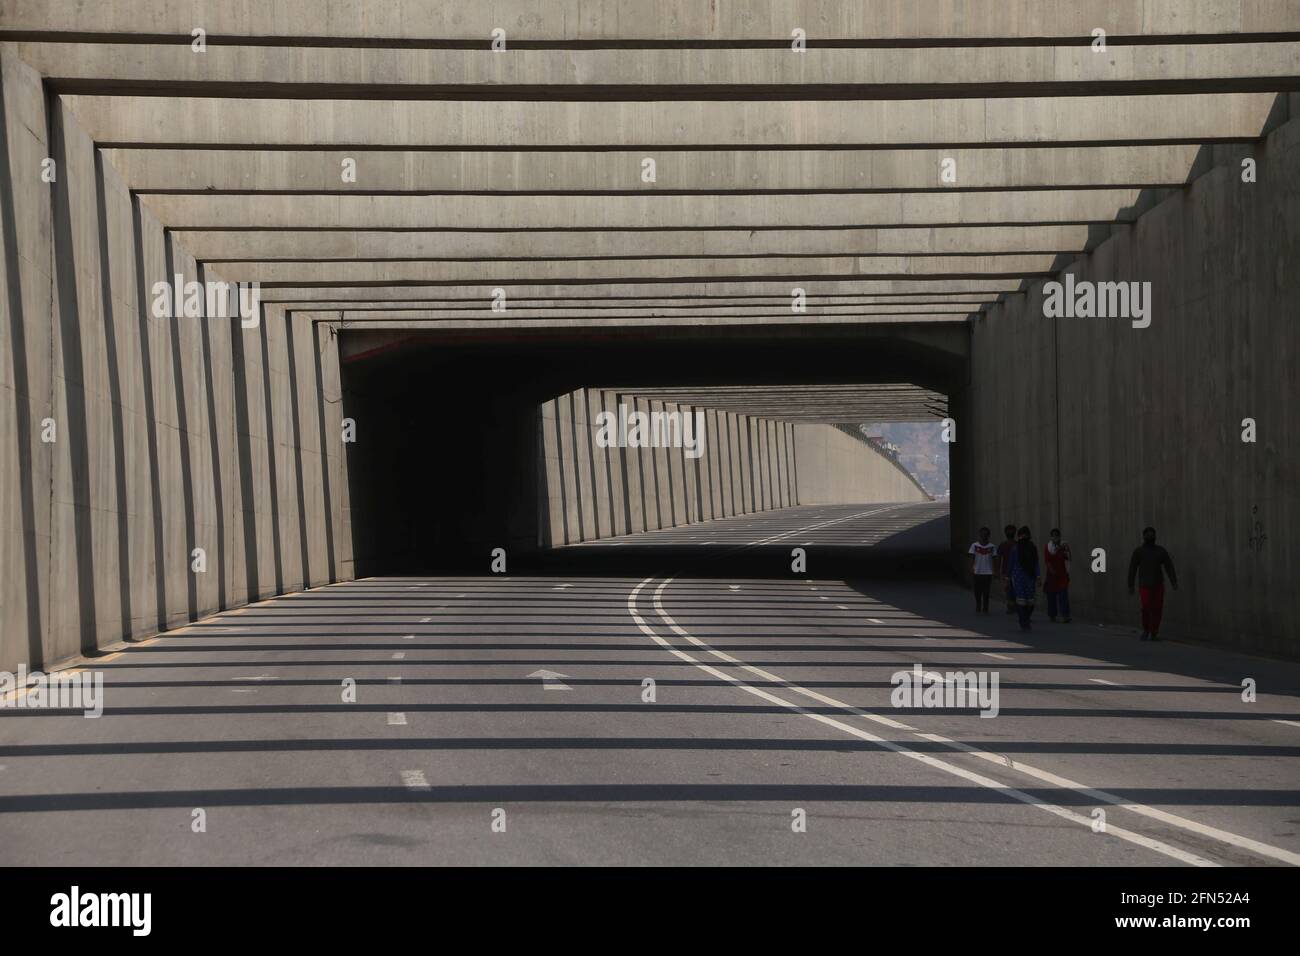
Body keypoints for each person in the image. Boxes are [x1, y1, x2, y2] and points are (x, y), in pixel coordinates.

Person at [1127, 527, 1177, 641]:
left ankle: (1154, 632)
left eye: (1152, 534)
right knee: (1145, 608)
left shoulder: (1160, 551)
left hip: (1158, 584)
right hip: (1144, 585)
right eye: (1148, 534)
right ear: (1144, 536)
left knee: (1157, 609)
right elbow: (1132, 569)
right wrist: (1130, 585)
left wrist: (1173, 581)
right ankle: (1146, 630)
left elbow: (1169, 566)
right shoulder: (1139, 551)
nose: (1151, 536)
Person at [1008, 525, 1040, 630]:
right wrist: (1007, 577)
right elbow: (1011, 563)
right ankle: (1023, 621)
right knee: (1021, 600)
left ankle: (1026, 617)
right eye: (1021, 535)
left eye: (1025, 535)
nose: (1023, 537)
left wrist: (1038, 576)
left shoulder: (1032, 548)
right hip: (1018, 577)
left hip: (1030, 577)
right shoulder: (1015, 549)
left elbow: (1036, 562)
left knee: (1030, 601)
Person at [1043, 528, 1072, 623]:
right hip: (1052, 576)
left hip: (1062, 575)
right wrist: (1052, 571)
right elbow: (1047, 561)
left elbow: (1068, 558)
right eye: (1053, 535)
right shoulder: (1048, 547)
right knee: (1051, 596)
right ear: (1051, 537)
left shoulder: (1064, 545)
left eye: (1057, 535)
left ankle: (1065, 615)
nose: (1055, 537)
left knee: (1063, 596)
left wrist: (1062, 549)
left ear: (1059, 536)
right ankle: (1052, 615)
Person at [968, 527, 996, 613]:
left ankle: (985, 607)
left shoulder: (992, 546)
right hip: (977, 571)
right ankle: (978, 604)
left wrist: (995, 570)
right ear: (980, 535)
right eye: (983, 534)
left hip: (988, 572)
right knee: (977, 590)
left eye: (986, 534)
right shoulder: (974, 545)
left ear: (989, 535)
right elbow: (972, 557)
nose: (984, 536)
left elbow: (994, 559)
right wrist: (972, 567)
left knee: (986, 591)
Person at [996, 524, 1018, 614]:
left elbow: (998, 558)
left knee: (1011, 589)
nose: (1010, 533)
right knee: (1009, 589)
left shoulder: (1016, 545)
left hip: (1014, 571)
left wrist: (997, 570)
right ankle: (1011, 606)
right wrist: (997, 570)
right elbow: (999, 558)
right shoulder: (1005, 545)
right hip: (1008, 571)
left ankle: (1012, 606)